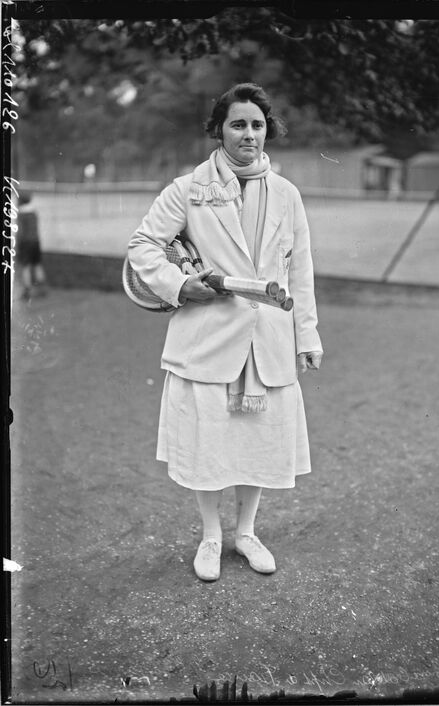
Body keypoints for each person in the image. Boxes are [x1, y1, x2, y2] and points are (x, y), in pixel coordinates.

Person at [128, 83, 323, 581]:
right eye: (238, 124)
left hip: (268, 339)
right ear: (219, 130)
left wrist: (308, 336)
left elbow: (300, 270)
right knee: (209, 441)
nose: (249, 134)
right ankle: (212, 536)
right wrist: (181, 284)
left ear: (268, 131)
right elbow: (144, 244)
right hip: (209, 336)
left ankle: (247, 533)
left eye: (257, 125)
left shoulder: (286, 193)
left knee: (257, 441)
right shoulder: (188, 188)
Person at [16, 191, 48, 300]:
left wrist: (17, 245)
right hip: (36, 241)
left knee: (25, 267)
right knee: (37, 264)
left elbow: (20, 232)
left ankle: (27, 291)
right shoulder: (34, 212)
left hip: (25, 242)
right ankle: (42, 288)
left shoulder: (21, 214)